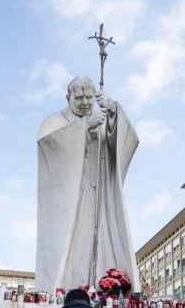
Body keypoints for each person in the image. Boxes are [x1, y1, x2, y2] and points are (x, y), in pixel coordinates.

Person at [36, 76, 139, 294]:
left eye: (89, 97)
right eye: (79, 97)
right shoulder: (54, 121)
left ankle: (104, 287)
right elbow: (48, 146)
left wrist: (114, 113)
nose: (84, 102)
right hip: (72, 195)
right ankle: (68, 288)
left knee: (103, 238)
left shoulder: (100, 116)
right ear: (68, 97)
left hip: (101, 192)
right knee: (74, 242)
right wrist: (83, 127)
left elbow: (124, 143)